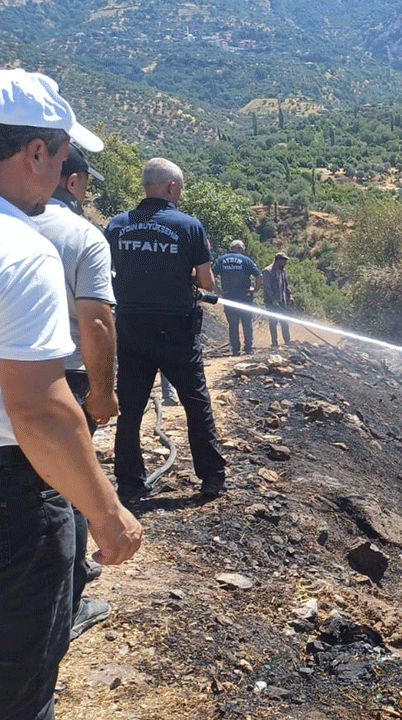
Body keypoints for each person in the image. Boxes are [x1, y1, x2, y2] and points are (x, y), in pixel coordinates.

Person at [0, 67, 142, 720]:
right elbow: (37, 410)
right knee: (20, 686)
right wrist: (105, 514)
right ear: (35, 152)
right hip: (13, 495)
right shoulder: (21, 251)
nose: (64, 174)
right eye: (61, 156)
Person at [29, 143, 116, 641]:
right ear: (72, 179)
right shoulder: (81, 235)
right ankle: (71, 599)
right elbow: (97, 323)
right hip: (66, 372)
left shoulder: (12, 224)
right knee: (68, 481)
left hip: (14, 370)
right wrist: (103, 391)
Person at [106, 157, 227, 498]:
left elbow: (105, 272)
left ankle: (129, 483)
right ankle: (212, 477)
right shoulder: (189, 226)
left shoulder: (117, 225)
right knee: (196, 403)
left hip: (132, 327)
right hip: (176, 330)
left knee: (130, 409)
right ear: (172, 187)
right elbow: (207, 282)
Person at [212, 239, 261, 355]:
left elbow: (211, 275)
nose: (244, 250)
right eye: (243, 248)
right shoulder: (246, 260)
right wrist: (256, 289)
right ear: (239, 248)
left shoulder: (221, 260)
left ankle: (235, 350)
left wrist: (218, 291)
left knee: (233, 325)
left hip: (229, 297)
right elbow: (259, 275)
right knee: (247, 324)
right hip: (245, 297)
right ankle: (248, 348)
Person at [260, 251, 293, 347]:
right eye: (284, 261)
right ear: (278, 260)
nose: (285, 263)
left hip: (282, 301)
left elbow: (286, 284)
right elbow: (267, 287)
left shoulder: (282, 271)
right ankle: (274, 343)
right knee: (273, 322)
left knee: (284, 322)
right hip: (271, 303)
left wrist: (290, 295)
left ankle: (287, 342)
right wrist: (273, 299)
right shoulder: (267, 271)